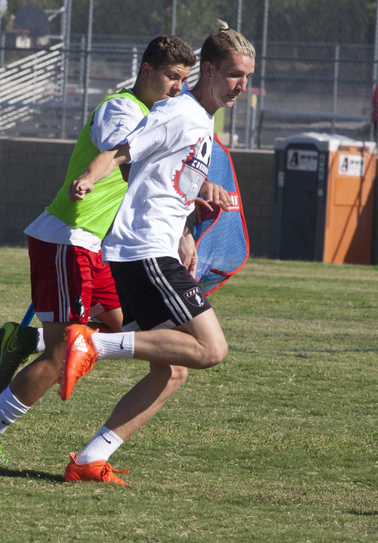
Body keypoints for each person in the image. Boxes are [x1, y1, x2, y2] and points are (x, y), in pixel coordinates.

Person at [0, 35, 197, 465]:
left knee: (128, 333)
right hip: (69, 238)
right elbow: (122, 153)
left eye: (184, 80)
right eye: (171, 77)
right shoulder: (121, 109)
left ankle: (25, 339)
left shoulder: (157, 115)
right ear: (146, 70)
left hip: (100, 249)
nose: (177, 87)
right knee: (64, 353)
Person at [58, 20, 256, 485]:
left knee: (169, 374)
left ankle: (88, 461)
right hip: (143, 250)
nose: (241, 86)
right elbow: (123, 153)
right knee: (211, 349)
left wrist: (189, 219)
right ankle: (92, 343)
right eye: (233, 75)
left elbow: (166, 177)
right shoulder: (180, 113)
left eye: (246, 77)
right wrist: (89, 176)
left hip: (154, 249)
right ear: (206, 71)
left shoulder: (200, 120)